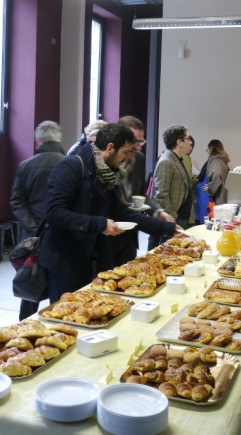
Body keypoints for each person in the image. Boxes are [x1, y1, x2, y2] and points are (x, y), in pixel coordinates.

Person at [38, 123, 179, 303]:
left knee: (91, 311)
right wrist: (100, 224)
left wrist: (167, 227)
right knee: (67, 316)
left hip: (90, 259)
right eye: (126, 152)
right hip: (65, 259)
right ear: (110, 148)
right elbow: (54, 213)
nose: (127, 158)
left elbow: (121, 212)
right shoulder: (71, 167)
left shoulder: (105, 172)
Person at [10, 121, 65, 320]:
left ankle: (25, 327)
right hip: (61, 235)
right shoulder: (69, 163)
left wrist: (34, 228)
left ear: (39, 140)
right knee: (59, 287)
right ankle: (57, 327)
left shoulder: (25, 165)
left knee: (30, 285)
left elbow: (17, 201)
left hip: (31, 237)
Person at [107, 115, 174, 265]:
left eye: (141, 141)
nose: (138, 147)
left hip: (130, 234)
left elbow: (140, 194)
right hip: (107, 234)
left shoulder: (139, 159)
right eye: (135, 141)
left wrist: (158, 212)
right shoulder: (106, 161)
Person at [148, 124, 194, 248]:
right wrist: (172, 219)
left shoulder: (177, 159)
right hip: (172, 219)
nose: (190, 142)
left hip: (179, 217)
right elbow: (161, 195)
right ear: (179, 142)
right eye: (188, 138)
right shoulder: (166, 161)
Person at [203, 139, 231, 205]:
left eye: (208, 149)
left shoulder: (215, 161)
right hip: (224, 196)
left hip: (218, 198)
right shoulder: (223, 161)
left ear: (211, 149)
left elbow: (216, 174)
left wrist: (210, 189)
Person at [181, 135, 198, 226]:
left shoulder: (173, 156)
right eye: (189, 144)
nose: (191, 148)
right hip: (185, 199)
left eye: (192, 146)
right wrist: (196, 179)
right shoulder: (186, 157)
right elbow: (189, 178)